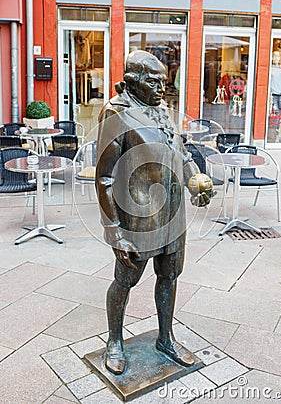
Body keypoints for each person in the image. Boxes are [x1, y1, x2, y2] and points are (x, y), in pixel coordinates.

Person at [95, 50, 213, 375]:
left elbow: (181, 151)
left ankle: (166, 338)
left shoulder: (162, 110)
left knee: (169, 275)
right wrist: (114, 232)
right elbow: (104, 177)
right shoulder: (115, 113)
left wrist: (194, 177)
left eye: (164, 81)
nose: (163, 87)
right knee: (126, 280)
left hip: (172, 214)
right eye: (154, 81)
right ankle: (115, 341)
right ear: (133, 81)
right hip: (137, 217)